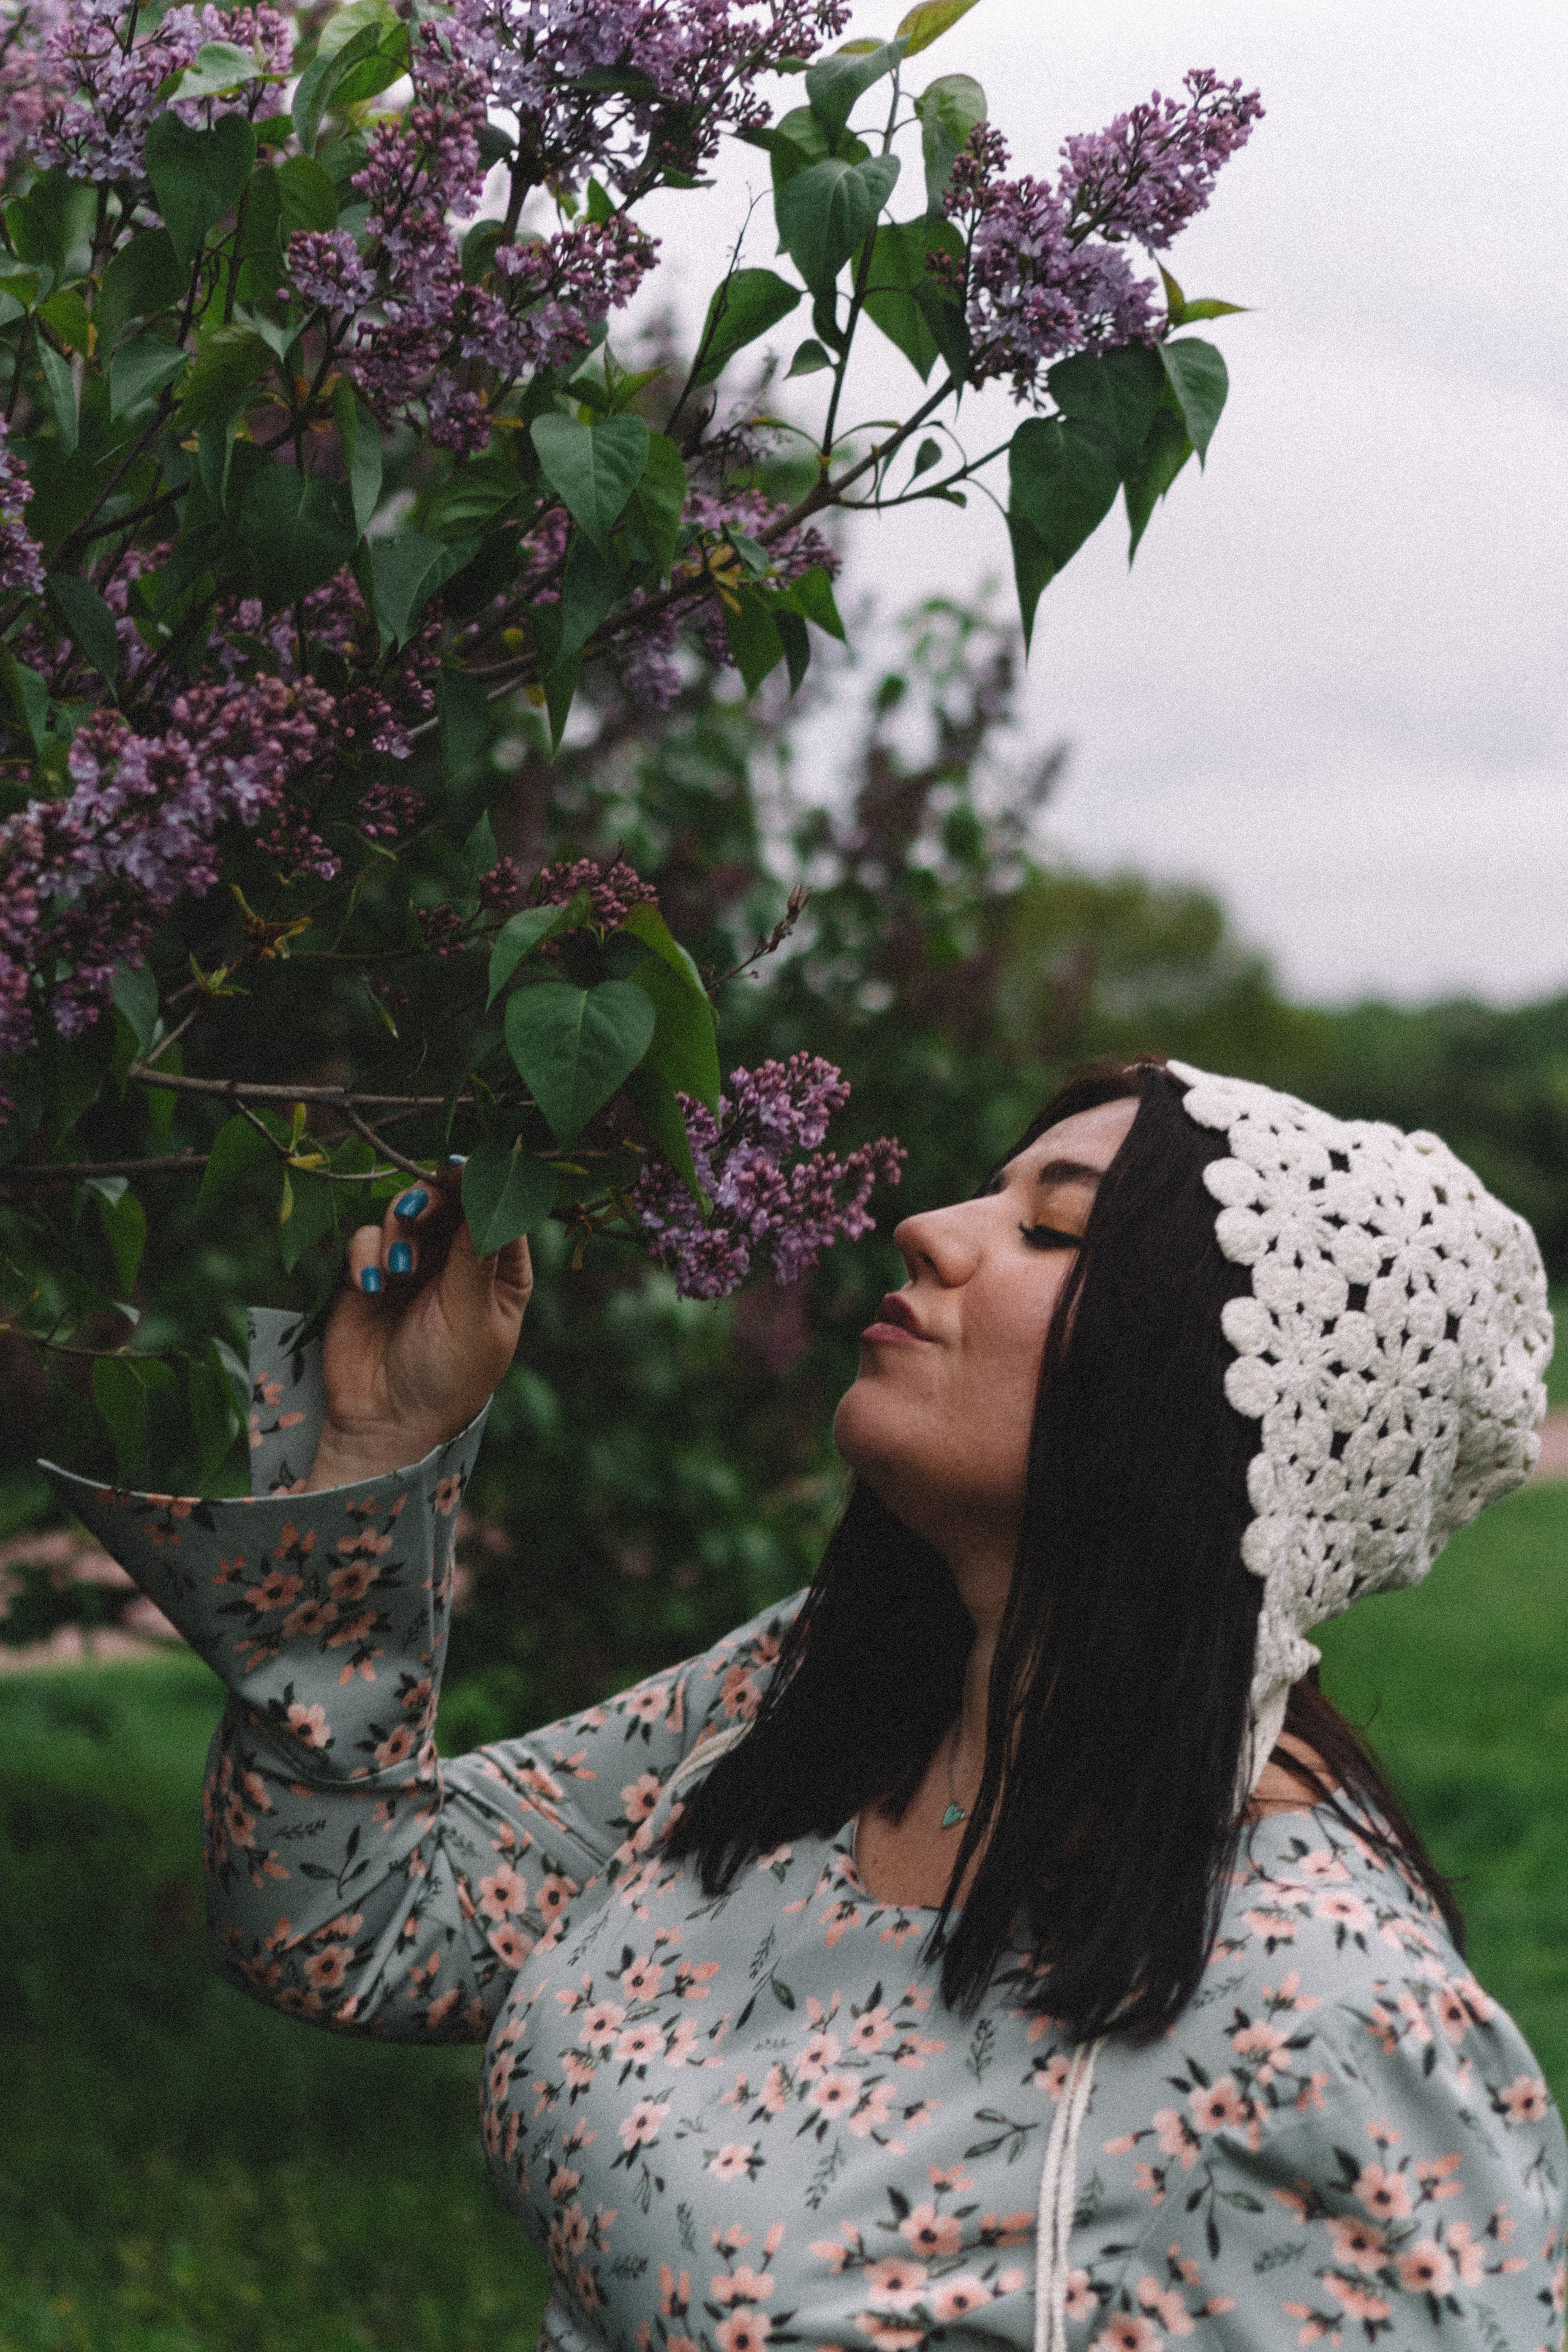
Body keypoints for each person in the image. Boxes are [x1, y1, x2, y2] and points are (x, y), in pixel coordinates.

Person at [45, 1057, 1568, 2352]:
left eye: (1051, 1230)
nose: (927, 1228)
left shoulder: (1325, 2014)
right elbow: (346, 1918)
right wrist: (375, 1441)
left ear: (1231, 1408)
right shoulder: (816, 1702)